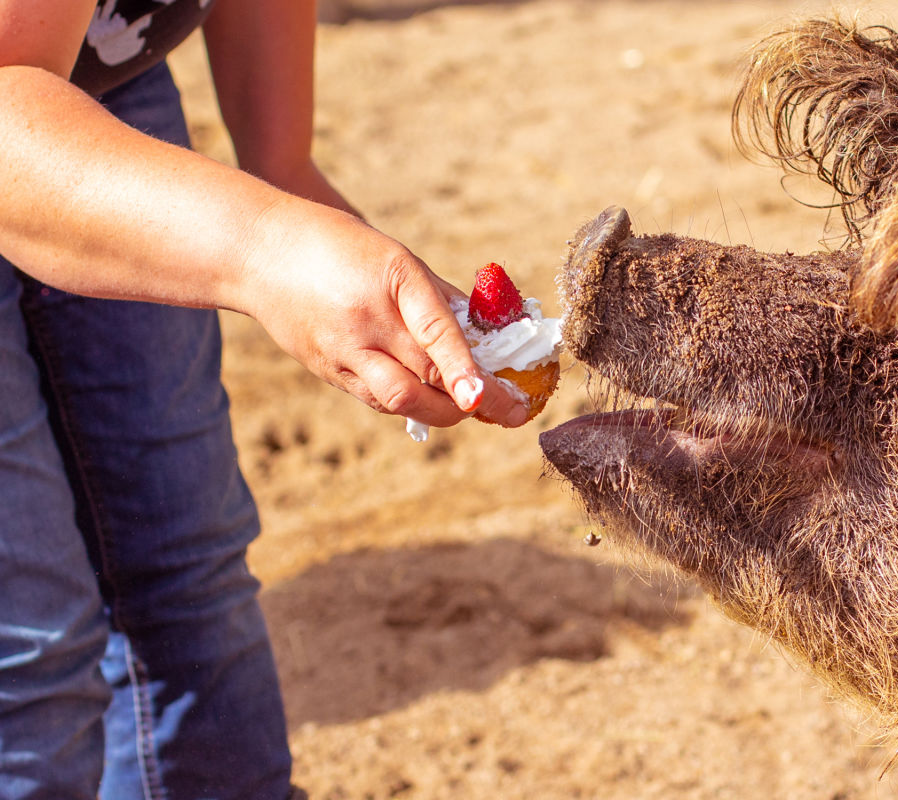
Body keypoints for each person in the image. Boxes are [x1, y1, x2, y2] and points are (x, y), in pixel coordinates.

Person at [0, 1, 530, 797]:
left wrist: (322, 221)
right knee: (32, 646)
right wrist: (267, 249)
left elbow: (280, 164)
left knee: (185, 561)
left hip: (101, 79)